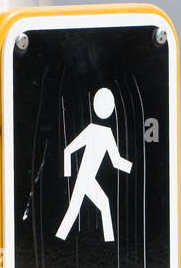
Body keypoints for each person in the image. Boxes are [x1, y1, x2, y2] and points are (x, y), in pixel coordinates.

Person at [55, 87, 131, 242]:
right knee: (80, 208)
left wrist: (130, 167)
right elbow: (68, 150)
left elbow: (115, 161)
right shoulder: (92, 130)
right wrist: (67, 174)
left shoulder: (107, 134)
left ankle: (108, 240)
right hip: (84, 178)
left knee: (94, 206)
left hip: (88, 178)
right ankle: (107, 240)